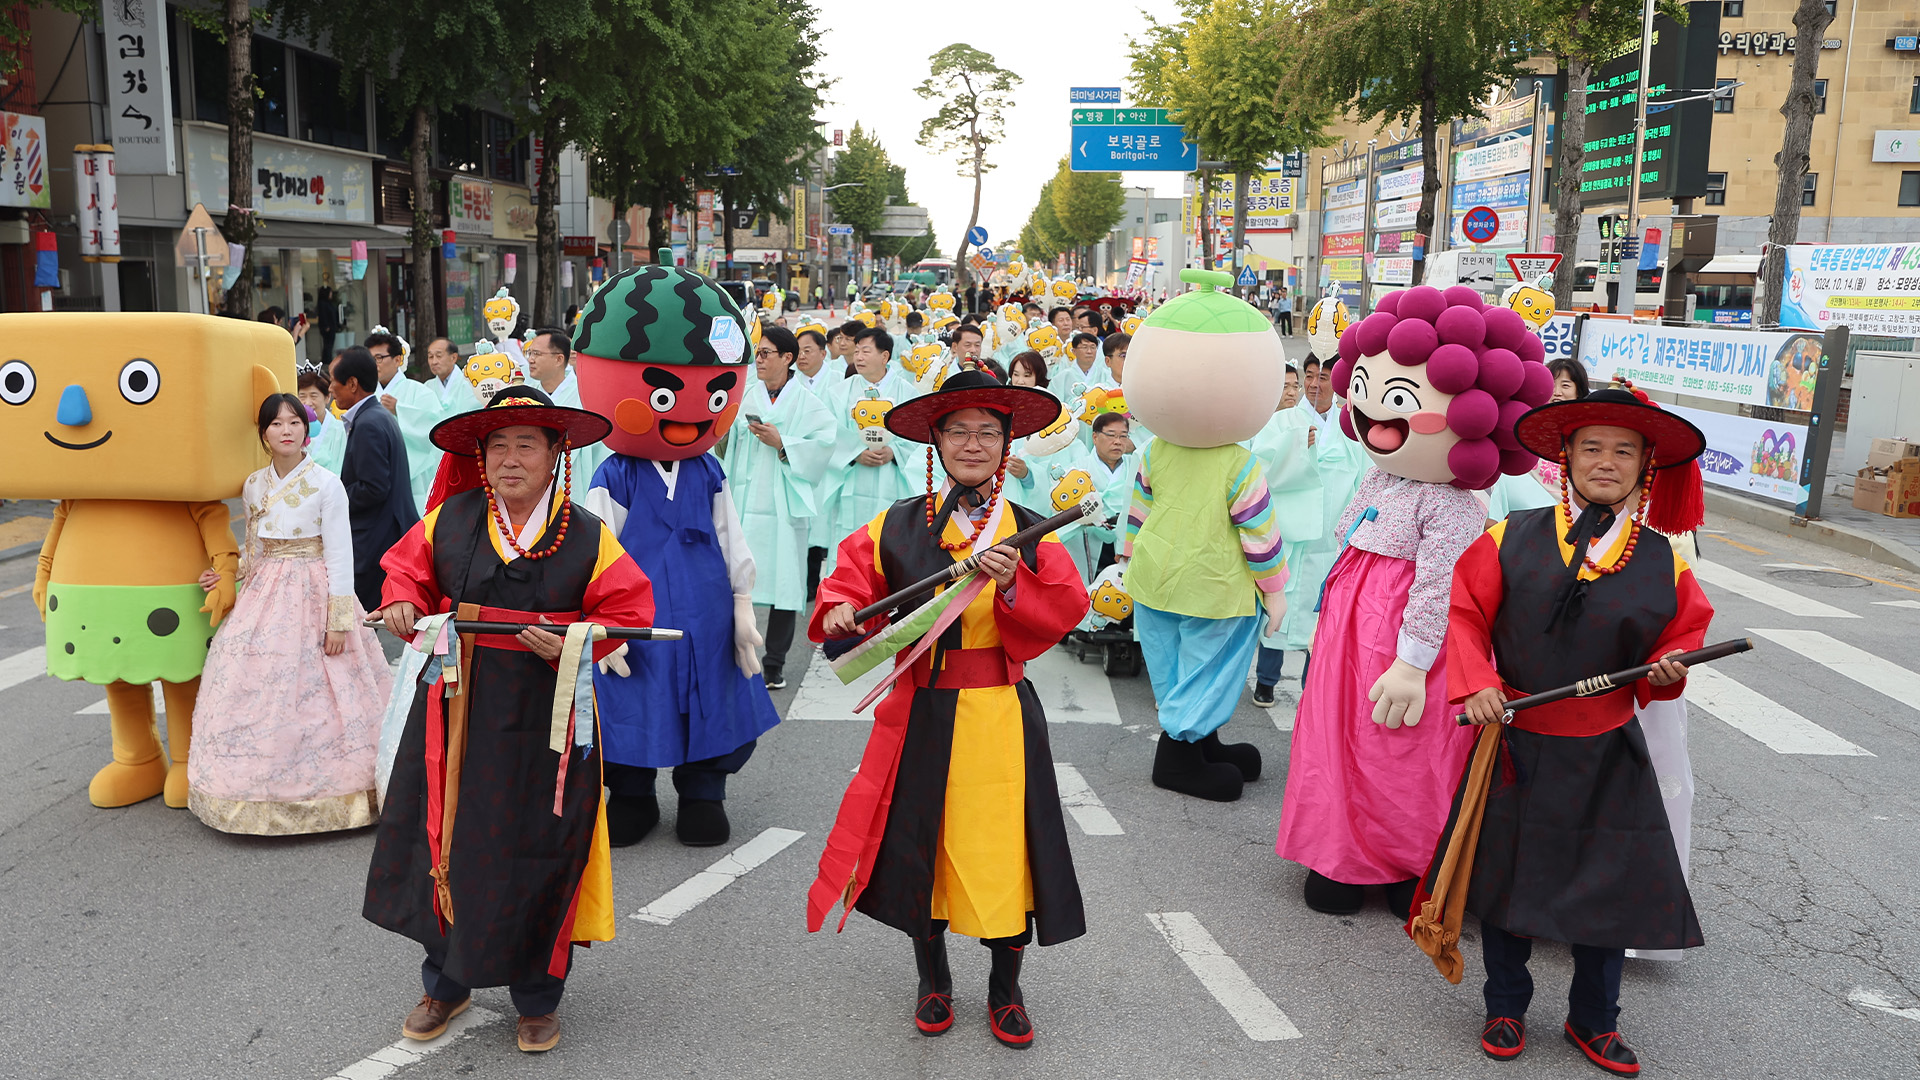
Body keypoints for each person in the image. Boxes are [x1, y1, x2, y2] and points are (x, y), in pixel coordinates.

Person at [1424, 381, 1711, 1072]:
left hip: (1610, 752)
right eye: (1591, 448)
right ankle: (1505, 1007)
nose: (1605, 462)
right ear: (1567, 458)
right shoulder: (1508, 537)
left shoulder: (1665, 559)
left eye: (1623, 450)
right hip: (1519, 743)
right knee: (1509, 884)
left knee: (1607, 888)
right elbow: (1463, 614)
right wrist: (1479, 684)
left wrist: (1667, 669)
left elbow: (1680, 639)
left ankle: (1594, 1021)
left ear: (1646, 465)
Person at [366, 385, 654, 1055]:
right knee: (445, 838)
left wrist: (580, 641)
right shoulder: (451, 518)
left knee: (539, 844)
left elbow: (630, 616)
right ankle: (447, 979)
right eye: (498, 444)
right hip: (455, 706)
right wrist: (405, 602)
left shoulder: (587, 534)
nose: (511, 457)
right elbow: (402, 575)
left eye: (528, 443)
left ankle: (537, 996)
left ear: (557, 452)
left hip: (547, 716)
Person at [808, 365, 1090, 1049]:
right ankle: (932, 979)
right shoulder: (897, 526)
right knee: (920, 850)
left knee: (1003, 853)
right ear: (933, 440)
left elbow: (1068, 606)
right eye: (957, 430)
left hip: (998, 710)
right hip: (924, 712)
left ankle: (1005, 988)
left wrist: (1017, 579)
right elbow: (846, 582)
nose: (972, 443)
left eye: (987, 432)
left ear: (1007, 442)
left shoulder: (1029, 529)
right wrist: (841, 608)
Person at [1275, 286, 1553, 918]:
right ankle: (1343, 850)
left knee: (1397, 751)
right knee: (1343, 741)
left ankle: (1411, 862)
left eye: (1400, 400)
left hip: (1406, 647)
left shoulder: (1452, 503)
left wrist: (1412, 661)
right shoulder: (1380, 472)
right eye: (1368, 388)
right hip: (1351, 637)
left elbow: (1440, 588)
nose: (1375, 412)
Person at [187, 393, 391, 834]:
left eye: (295, 422)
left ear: (306, 429)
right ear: (263, 434)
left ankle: (339, 792)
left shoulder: (326, 484)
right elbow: (254, 547)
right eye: (277, 424)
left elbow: (341, 555)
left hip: (315, 588)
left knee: (322, 692)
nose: (286, 430)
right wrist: (228, 574)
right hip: (264, 593)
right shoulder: (253, 484)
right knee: (255, 688)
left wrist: (338, 620)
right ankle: (249, 788)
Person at [1124, 270, 1289, 803]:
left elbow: (1137, 513)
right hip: (1216, 588)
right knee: (1211, 669)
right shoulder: (1239, 465)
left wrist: (1126, 560)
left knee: (1172, 665)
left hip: (1155, 577)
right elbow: (1259, 534)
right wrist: (1276, 589)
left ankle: (1200, 743)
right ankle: (1176, 756)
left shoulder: (1155, 449)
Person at [725, 326, 837, 690]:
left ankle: (774, 662)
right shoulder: (743, 396)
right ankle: (734, 651)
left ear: (787, 359)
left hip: (782, 506)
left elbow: (824, 445)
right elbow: (723, 446)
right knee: (735, 581)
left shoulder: (808, 403)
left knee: (784, 585)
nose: (759, 360)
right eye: (756, 353)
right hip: (743, 501)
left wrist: (783, 443)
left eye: (766, 353)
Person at [1243, 363, 1323, 708]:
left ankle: (1312, 684)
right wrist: (1294, 446)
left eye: (1295, 385)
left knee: (1312, 611)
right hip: (1268, 527)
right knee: (1269, 608)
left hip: (1316, 530)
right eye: (1285, 385)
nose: (1292, 392)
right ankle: (1266, 678)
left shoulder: (1315, 425)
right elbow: (1259, 472)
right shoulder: (1250, 426)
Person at [819, 327, 922, 575]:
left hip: (893, 483)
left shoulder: (907, 393)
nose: (859, 357)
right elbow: (826, 433)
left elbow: (921, 440)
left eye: (866, 351)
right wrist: (854, 453)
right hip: (853, 481)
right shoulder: (840, 393)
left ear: (885, 356)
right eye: (857, 351)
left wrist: (895, 452)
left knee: (889, 546)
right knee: (851, 542)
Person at [331, 347, 419, 613]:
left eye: (333, 380)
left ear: (352, 383)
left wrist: (332, 495)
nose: (331, 388)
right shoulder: (377, 415)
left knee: (359, 621)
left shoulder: (369, 423)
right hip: (382, 534)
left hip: (373, 539)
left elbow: (374, 488)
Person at [368, 329, 443, 515]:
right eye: (370, 359)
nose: (374, 364)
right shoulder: (366, 394)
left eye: (379, 358)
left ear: (397, 360)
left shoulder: (420, 392)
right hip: (375, 477)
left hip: (414, 477)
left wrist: (399, 410)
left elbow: (434, 428)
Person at [299, 365, 347, 475]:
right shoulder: (292, 428)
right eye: (302, 396)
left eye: (313, 396)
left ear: (327, 397)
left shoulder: (340, 430)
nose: (307, 402)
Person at [424, 338, 467, 409]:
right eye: (430, 357)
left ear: (453, 358)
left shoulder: (468, 383)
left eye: (439, 356)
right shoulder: (427, 386)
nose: (434, 362)